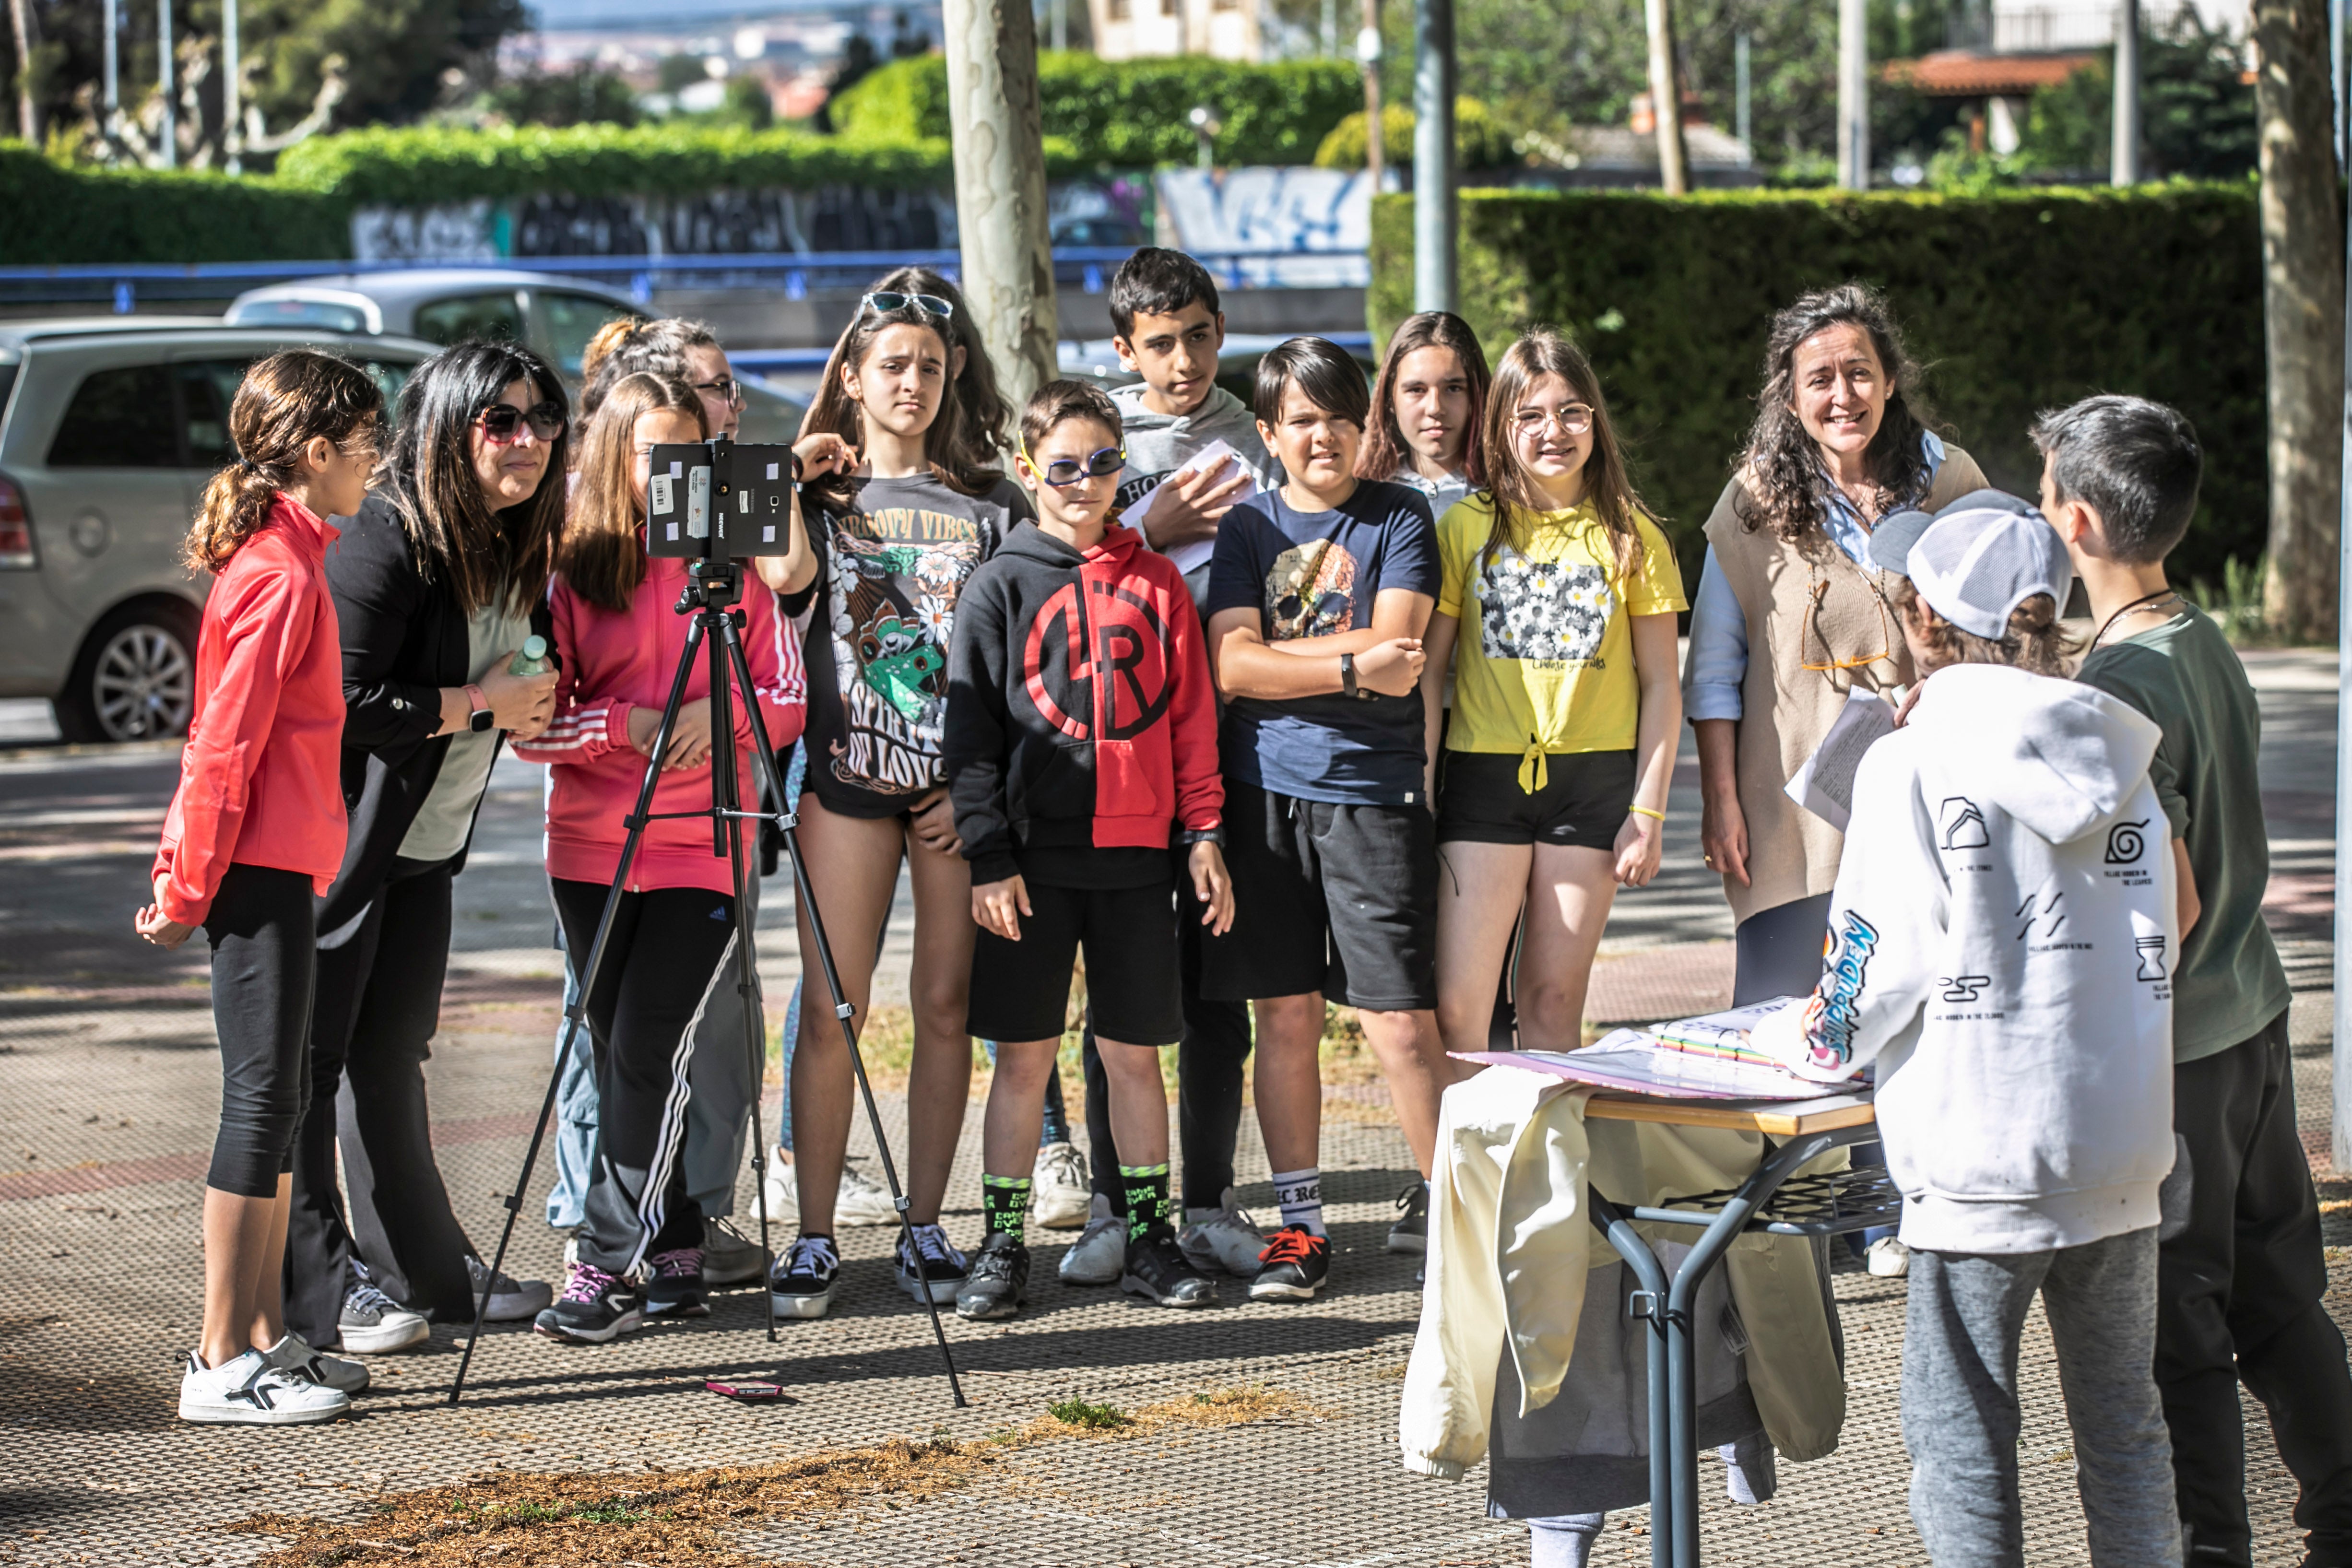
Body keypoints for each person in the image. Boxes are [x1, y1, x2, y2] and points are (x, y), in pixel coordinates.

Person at [1750, 492, 2184, 1568]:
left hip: (1980, 1156)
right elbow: (2174, 915)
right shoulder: (2118, 753)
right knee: (2125, 1429)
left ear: (1922, 620)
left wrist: (1804, 1048)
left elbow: (1869, 962)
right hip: (2121, 1145)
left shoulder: (1910, 761)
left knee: (1962, 1439)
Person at [2042, 396, 2352, 1566]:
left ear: (2074, 518)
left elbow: (2160, 903)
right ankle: (2340, 1515)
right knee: (2278, 1297)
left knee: (2181, 1329)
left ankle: (2208, 1549)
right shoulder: (2201, 636)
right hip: (2256, 1021)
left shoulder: (2118, 684)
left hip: (2172, 1053)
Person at [756, 266, 1094, 1237]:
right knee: (832, 1007)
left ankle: (924, 1224)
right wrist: (788, 468)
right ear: (852, 377)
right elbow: (782, 576)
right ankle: (815, 1236)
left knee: (947, 1007)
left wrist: (983, 791)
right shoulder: (820, 497)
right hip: (847, 780)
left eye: (932, 367)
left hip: (956, 792)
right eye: (892, 364)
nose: (913, 382)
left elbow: (1026, 663)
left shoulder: (993, 502)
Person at [1684, 282, 1988, 1278]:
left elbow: (1999, 621)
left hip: (1923, 784)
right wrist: (1722, 797)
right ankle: (1794, 1218)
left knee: (1919, 989)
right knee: (1790, 1003)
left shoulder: (1947, 480)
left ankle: (1899, 1203)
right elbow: (1715, 667)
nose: (1842, 393)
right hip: (1787, 795)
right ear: (1789, 392)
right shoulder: (1751, 501)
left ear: (1891, 379)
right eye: (1819, 377)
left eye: (1859, 371)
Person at [282, 341, 566, 1356]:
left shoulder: (516, 537)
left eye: (541, 418)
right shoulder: (387, 536)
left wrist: (528, 693)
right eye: (502, 419)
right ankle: (322, 1279)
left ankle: (426, 1272)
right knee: (309, 1067)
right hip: (338, 849)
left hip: (428, 842)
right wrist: (484, 702)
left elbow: (511, 666)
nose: (527, 438)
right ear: (448, 423)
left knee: (390, 1056)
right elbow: (342, 702)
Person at [513, 372, 807, 1341]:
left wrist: (713, 717)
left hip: (702, 842)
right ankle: (674, 1228)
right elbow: (531, 725)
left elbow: (789, 694)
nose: (673, 470)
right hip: (588, 850)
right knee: (619, 1050)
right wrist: (625, 722)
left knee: (649, 1042)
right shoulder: (571, 564)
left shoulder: (733, 561)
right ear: (613, 456)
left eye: (693, 451)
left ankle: (604, 1263)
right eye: (652, 452)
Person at [943, 378, 1235, 1320]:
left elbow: (1191, 718)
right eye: (1062, 466)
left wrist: (1203, 834)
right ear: (1029, 470)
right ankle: (1002, 1242)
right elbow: (971, 737)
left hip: (1138, 857)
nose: (1083, 481)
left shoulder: (1154, 580)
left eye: (1103, 463)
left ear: (1122, 467)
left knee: (1134, 1053)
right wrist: (988, 855)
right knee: (1022, 1059)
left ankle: (1150, 1232)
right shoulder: (999, 582)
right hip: (1028, 865)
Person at [139, 349, 384, 1423]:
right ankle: (218, 1358)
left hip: (281, 858)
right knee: (260, 1099)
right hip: (251, 865)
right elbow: (221, 745)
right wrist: (185, 881)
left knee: (279, 1098)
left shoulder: (292, 557)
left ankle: (258, 1337)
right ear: (318, 451)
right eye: (368, 442)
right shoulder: (280, 575)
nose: (377, 462)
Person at [1053, 247, 1288, 1291]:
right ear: (1122, 350)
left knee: (1213, 995)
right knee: (1125, 995)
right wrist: (1150, 524)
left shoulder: (1252, 430)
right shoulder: (1099, 439)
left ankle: (1208, 1200)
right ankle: (1115, 1204)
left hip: (1225, 750)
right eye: (1160, 343)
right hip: (1121, 759)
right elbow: (1051, 575)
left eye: (1200, 335)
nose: (1184, 359)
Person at [1200, 334, 1451, 1304]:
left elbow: (1408, 642)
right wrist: (1352, 665)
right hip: (1262, 794)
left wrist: (1285, 660)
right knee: (1286, 1015)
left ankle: (1447, 1214)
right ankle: (1300, 1227)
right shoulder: (1247, 528)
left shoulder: (1400, 513)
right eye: (1301, 419)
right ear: (1269, 431)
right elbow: (1232, 666)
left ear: (1365, 424)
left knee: (1397, 1023)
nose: (1323, 435)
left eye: (1341, 415)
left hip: (1372, 795)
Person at [1422, 330, 1681, 1061]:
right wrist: (1419, 790)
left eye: (1570, 413)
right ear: (1499, 428)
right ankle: (1466, 1177)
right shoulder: (1463, 528)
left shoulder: (1633, 539)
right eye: (1529, 416)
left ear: (1595, 421)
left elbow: (1663, 683)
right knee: (1459, 1008)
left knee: (1551, 1000)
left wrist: (1647, 812)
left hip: (1592, 786)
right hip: (1482, 777)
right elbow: (1429, 676)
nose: (1552, 432)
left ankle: (1544, 1175)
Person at [1359, 309, 1489, 519]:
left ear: (1476, 395)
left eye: (1453, 388)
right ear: (1390, 399)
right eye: (1416, 390)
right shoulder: (1361, 498)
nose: (1435, 408)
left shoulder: (1510, 495)